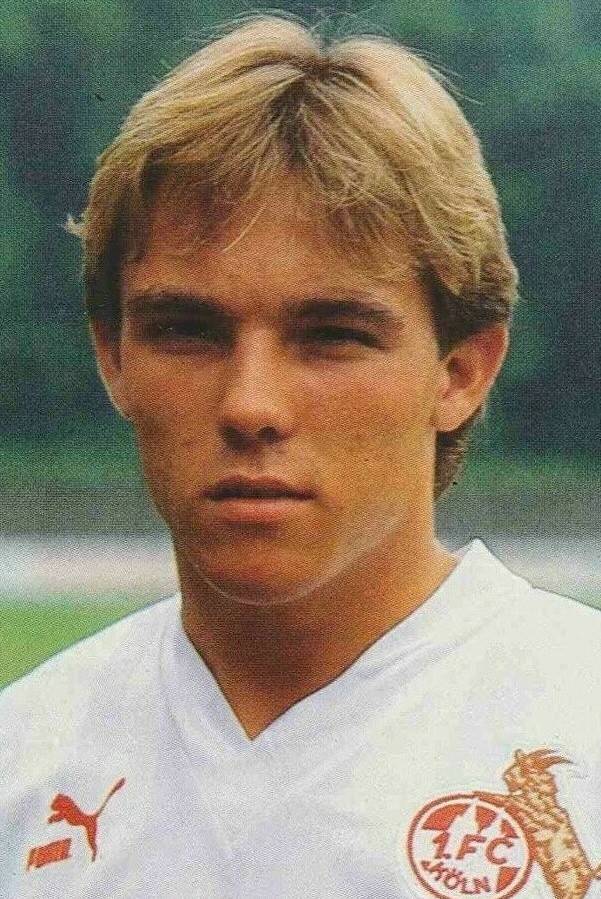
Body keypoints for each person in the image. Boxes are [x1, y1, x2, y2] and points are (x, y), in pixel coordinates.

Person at [2, 15, 600, 899]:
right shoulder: (24, 765)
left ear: (460, 370)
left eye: (331, 335)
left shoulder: (581, 735)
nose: (251, 404)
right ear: (113, 357)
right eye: (187, 330)